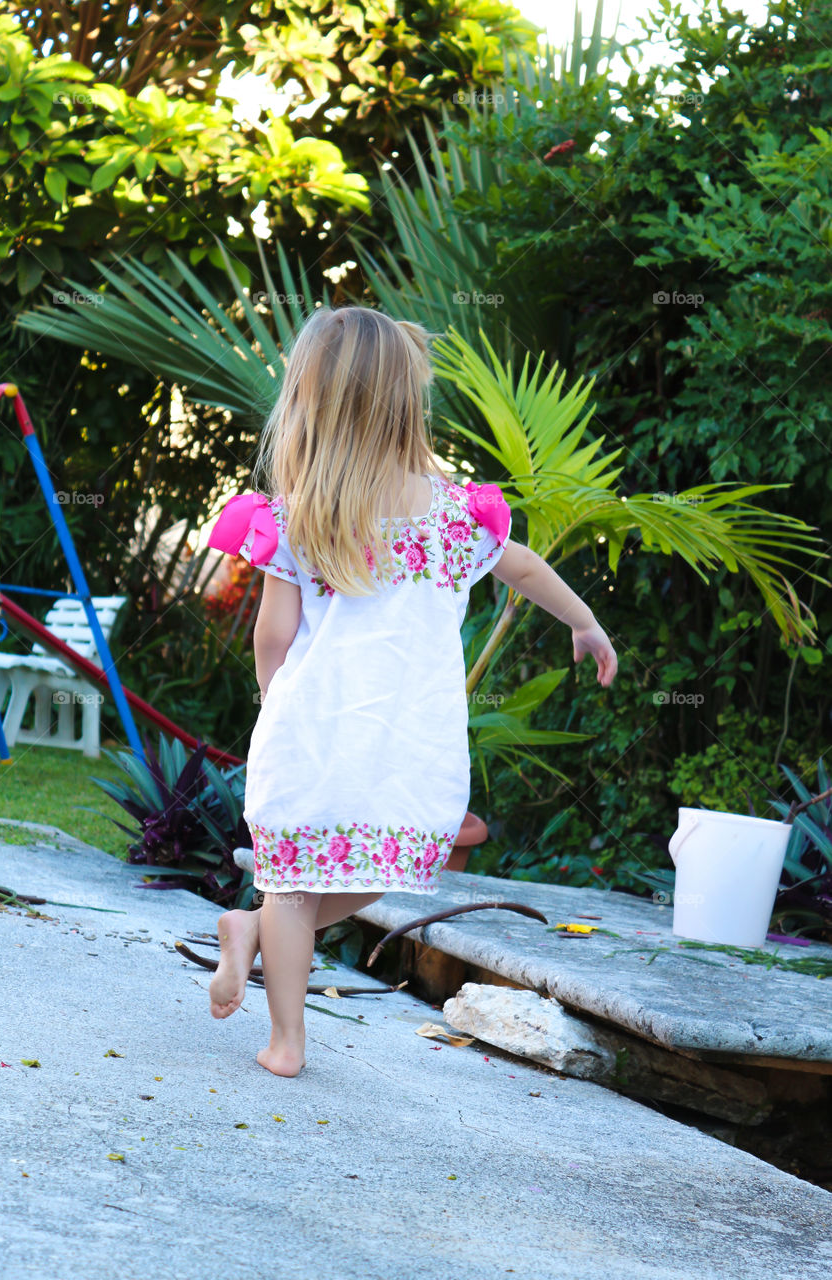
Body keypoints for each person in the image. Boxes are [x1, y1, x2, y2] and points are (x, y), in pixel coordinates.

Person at [206, 305, 618, 1078]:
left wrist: (275, 700)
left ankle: (278, 1012)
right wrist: (584, 622)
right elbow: (521, 567)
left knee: (295, 887)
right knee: (377, 868)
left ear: (309, 400)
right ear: (405, 401)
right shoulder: (455, 516)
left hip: (314, 731)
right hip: (405, 742)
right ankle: (267, 975)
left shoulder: (300, 518)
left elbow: (272, 634)